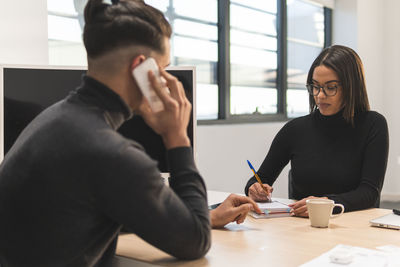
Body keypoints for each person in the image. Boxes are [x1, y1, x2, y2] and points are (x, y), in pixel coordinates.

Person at [0, 0, 260, 266]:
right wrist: (177, 138)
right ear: (140, 67)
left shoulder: (51, 119)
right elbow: (196, 241)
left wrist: (204, 215)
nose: (164, 79)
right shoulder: (111, 152)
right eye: (162, 68)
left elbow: (95, 210)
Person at [245, 45, 389, 217]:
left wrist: (324, 204)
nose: (320, 95)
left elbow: (369, 193)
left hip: (353, 226)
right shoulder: (294, 130)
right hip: (302, 228)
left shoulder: (373, 125)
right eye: (315, 86)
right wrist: (254, 189)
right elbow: (259, 178)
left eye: (331, 87)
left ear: (351, 87)